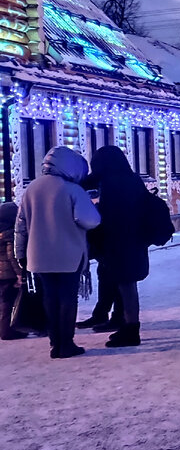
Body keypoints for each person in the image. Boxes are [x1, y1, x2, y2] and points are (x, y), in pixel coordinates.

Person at [14, 146, 101, 359]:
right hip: (68, 255)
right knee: (67, 300)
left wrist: (20, 254)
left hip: (38, 256)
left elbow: (21, 225)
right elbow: (91, 220)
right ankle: (67, 343)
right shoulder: (72, 190)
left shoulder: (31, 188)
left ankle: (54, 343)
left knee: (50, 299)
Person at [87, 146, 151, 348]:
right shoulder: (131, 179)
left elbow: (110, 215)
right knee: (125, 284)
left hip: (120, 242)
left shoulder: (113, 183)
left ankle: (131, 331)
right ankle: (125, 325)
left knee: (126, 285)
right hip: (133, 240)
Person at [0, 202, 27, 341]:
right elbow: (12, 256)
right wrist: (19, 274)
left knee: (2, 302)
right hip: (8, 275)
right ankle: (6, 331)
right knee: (8, 303)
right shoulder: (9, 234)